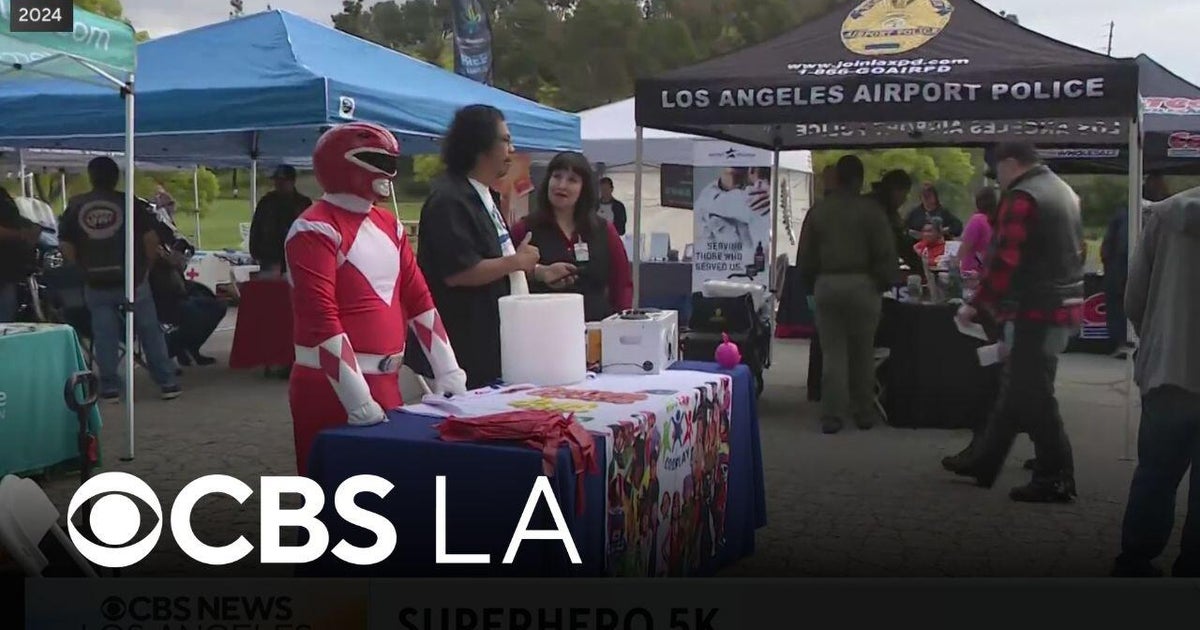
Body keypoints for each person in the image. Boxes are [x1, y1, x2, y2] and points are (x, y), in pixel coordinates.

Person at [283, 122, 468, 475]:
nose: (386, 170)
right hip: (330, 388)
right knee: (333, 494)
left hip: (385, 382)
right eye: (374, 159)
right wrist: (357, 398)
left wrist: (449, 370)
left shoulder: (389, 225)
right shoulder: (314, 227)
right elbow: (321, 319)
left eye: (389, 160)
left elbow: (420, 301)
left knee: (385, 491)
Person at [949, 143, 1084, 502]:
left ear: (1010, 163)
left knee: (1033, 394)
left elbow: (1006, 259)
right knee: (1020, 387)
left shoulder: (1024, 197)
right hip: (1061, 304)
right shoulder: (1063, 191)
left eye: (998, 170)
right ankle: (985, 459)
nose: (998, 180)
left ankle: (1055, 475)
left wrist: (976, 305)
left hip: (1033, 308)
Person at [417, 104, 574, 389]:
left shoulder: (484, 195)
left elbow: (493, 260)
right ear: (480, 145)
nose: (512, 150)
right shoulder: (449, 200)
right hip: (464, 353)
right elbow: (459, 272)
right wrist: (517, 262)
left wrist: (537, 271)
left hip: (494, 345)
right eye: (505, 140)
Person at [1112, 185, 1200, 577]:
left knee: (1155, 473)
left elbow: (1134, 297)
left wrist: (1157, 340)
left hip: (1169, 371)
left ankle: (1135, 558)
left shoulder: (1165, 215)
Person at [58, 157, 180, 402]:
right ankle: (167, 382)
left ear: (91, 177)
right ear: (116, 177)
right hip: (133, 280)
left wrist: (80, 269)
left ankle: (110, 387)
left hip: (95, 281)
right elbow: (150, 240)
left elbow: (65, 244)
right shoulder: (129, 203)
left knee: (104, 335)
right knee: (149, 331)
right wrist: (144, 270)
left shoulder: (76, 205)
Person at [797, 155, 898, 434]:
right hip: (863, 284)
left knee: (833, 353)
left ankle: (832, 414)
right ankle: (863, 411)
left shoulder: (819, 211)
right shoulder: (872, 211)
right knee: (863, 351)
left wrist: (812, 285)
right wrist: (881, 282)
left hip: (828, 284)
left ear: (837, 178)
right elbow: (886, 252)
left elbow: (805, 257)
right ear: (860, 180)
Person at [510, 152, 633, 321]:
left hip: (596, 332)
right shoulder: (525, 229)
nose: (561, 185)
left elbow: (622, 284)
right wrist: (537, 272)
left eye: (572, 180)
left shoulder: (604, 230)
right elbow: (507, 279)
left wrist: (621, 325)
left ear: (584, 188)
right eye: (557, 176)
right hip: (541, 331)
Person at [1101, 173, 1170, 359]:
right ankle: (1143, 345)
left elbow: (1109, 245)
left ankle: (1123, 343)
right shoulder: (1166, 212)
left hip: (1122, 269)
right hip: (1148, 269)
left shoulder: (1125, 212)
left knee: (1122, 305)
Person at [248, 164, 311, 275]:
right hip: (269, 257)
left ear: (292, 181)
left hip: (296, 259)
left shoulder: (303, 204)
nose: (278, 184)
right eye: (277, 180)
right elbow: (255, 228)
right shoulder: (266, 202)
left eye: (283, 181)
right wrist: (256, 253)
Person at [0, 187, 40, 322]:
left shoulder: (2, 194)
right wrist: (21, 234)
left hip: (9, 271)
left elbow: (13, 217)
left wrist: (32, 227)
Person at [959, 186, 999, 280]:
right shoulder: (995, 221)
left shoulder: (977, 220)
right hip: (986, 272)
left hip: (971, 273)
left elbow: (965, 246)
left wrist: (954, 262)